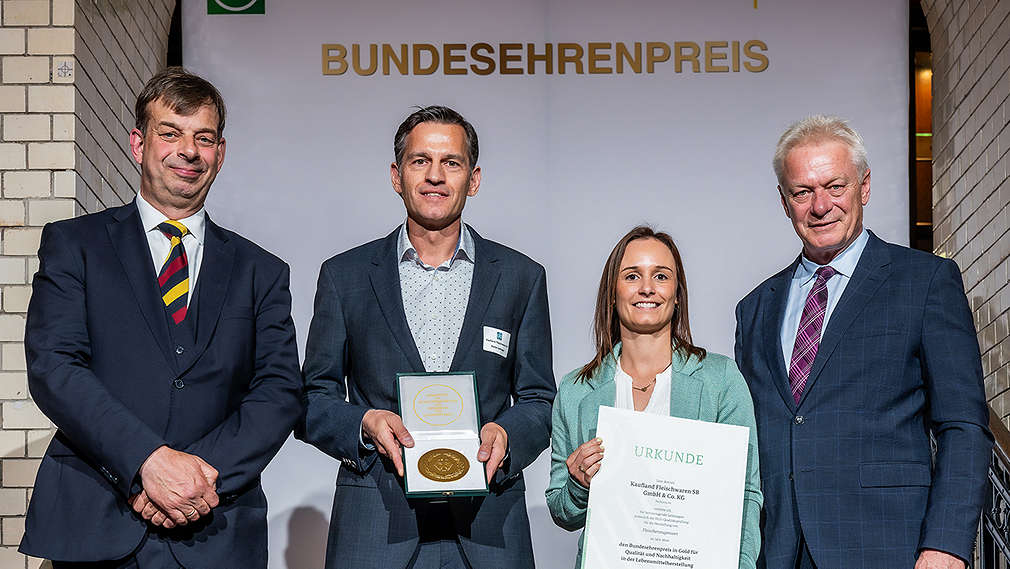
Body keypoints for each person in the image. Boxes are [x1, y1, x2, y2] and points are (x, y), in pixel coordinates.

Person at [19, 68, 302, 568]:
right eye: (169, 133)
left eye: (204, 138)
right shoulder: (74, 245)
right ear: (138, 143)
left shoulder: (262, 270)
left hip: (216, 524)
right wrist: (147, 462)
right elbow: (55, 367)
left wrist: (196, 477)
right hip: (96, 519)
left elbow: (278, 392)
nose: (188, 151)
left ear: (220, 153)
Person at [297, 105, 556, 569]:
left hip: (488, 526)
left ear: (473, 179)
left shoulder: (521, 277)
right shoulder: (345, 276)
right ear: (396, 176)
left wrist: (506, 434)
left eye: (451, 163)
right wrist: (364, 424)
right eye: (420, 161)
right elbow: (313, 397)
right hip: (376, 525)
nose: (435, 176)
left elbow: (538, 398)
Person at [734, 115, 992, 569]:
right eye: (803, 191)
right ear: (784, 201)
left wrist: (947, 544)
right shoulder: (755, 308)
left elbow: (963, 425)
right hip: (776, 552)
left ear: (864, 188)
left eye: (835, 186)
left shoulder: (925, 282)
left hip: (890, 546)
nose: (820, 206)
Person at [547, 226, 762, 569]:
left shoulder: (721, 380)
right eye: (632, 276)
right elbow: (562, 511)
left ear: (677, 294)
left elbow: (746, 496)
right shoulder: (575, 390)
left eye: (661, 276)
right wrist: (579, 483)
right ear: (612, 293)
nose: (647, 288)